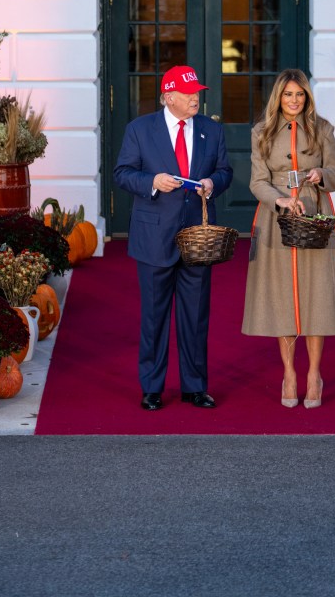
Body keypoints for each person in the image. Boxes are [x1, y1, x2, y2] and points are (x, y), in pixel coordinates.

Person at [113, 65, 233, 411]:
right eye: (188, 94)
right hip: (153, 238)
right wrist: (152, 181)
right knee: (154, 317)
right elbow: (123, 173)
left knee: (196, 317)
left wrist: (213, 183)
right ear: (168, 97)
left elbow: (224, 171)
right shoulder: (139, 130)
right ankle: (152, 388)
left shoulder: (212, 130)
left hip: (198, 238)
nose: (195, 98)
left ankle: (195, 387)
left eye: (197, 92)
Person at [242, 68, 335, 409]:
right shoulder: (261, 132)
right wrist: (280, 200)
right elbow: (257, 182)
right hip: (276, 219)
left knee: (315, 294)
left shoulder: (323, 129)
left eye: (299, 95)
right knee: (283, 296)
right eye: (288, 95)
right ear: (279, 97)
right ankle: (289, 372)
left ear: (306, 98)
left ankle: (314, 374)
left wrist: (320, 175)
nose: (294, 100)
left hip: (314, 217)